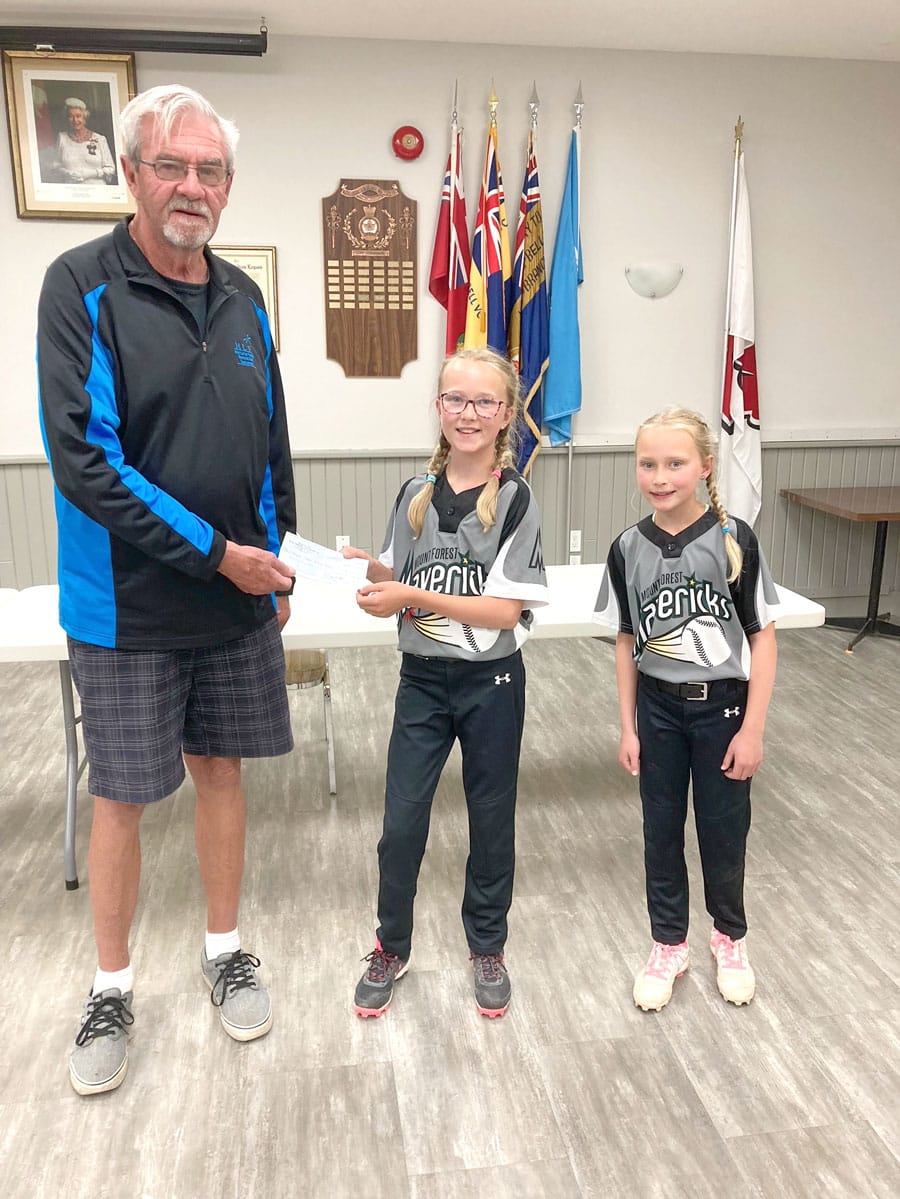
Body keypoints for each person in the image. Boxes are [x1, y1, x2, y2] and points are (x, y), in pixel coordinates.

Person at [37, 84, 296, 1096]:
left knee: (221, 770)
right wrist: (219, 552)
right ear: (132, 174)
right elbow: (87, 464)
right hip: (127, 604)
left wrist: (271, 555)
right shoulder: (79, 286)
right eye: (173, 166)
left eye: (211, 170)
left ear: (228, 185)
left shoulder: (243, 294)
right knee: (124, 796)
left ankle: (225, 949)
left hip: (234, 596)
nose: (194, 185)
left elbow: (270, 435)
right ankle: (111, 987)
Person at [346, 348, 549, 1019]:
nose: (468, 412)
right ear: (438, 407)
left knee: (491, 821)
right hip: (423, 682)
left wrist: (408, 594)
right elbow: (399, 578)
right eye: (456, 399)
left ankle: (487, 946)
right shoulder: (415, 493)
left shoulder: (515, 499)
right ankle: (391, 945)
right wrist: (369, 569)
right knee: (401, 822)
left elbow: (504, 612)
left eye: (484, 401)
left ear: (505, 414)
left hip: (492, 682)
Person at [596, 408, 778, 1012]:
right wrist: (627, 726)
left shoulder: (733, 540)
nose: (660, 476)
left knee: (724, 832)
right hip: (657, 711)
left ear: (704, 466)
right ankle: (668, 944)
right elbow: (626, 639)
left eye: (675, 463)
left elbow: (762, 639)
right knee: (661, 831)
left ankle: (729, 938)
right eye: (647, 464)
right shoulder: (627, 547)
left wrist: (753, 729)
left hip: (722, 711)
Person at [55, 97, 117, 183]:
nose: (75, 120)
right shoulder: (62, 138)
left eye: (78, 116)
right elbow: (55, 166)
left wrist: (90, 174)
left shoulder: (99, 139)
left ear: (84, 117)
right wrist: (67, 173)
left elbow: (111, 169)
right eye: (70, 116)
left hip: (97, 188)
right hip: (71, 188)